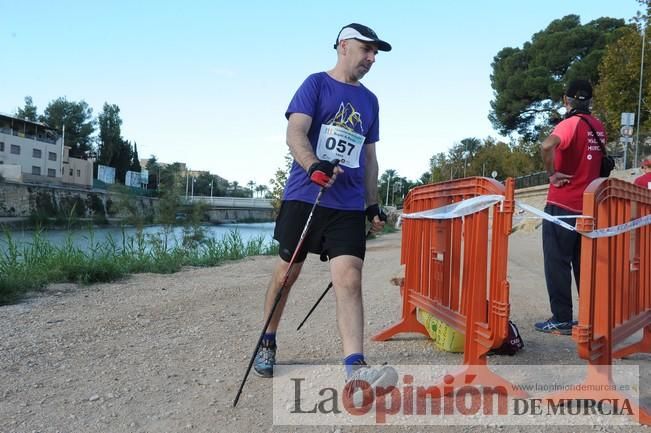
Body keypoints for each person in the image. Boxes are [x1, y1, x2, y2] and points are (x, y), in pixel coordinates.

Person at [253, 23, 398, 393]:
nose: (371, 58)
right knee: (287, 273)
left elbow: (369, 157)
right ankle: (268, 337)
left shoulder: (371, 101)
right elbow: (296, 132)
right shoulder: (315, 84)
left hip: (347, 204)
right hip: (306, 195)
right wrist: (313, 165)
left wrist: (372, 204)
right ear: (344, 46)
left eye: (375, 54)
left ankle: (355, 367)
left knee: (349, 277)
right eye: (366, 50)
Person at [536, 79, 607, 335]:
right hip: (588, 207)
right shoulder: (598, 127)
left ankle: (562, 319)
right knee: (583, 264)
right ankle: (589, 318)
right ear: (590, 100)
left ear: (566, 101)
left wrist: (552, 173)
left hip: (561, 204)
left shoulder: (569, 124)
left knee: (556, 262)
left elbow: (547, 145)